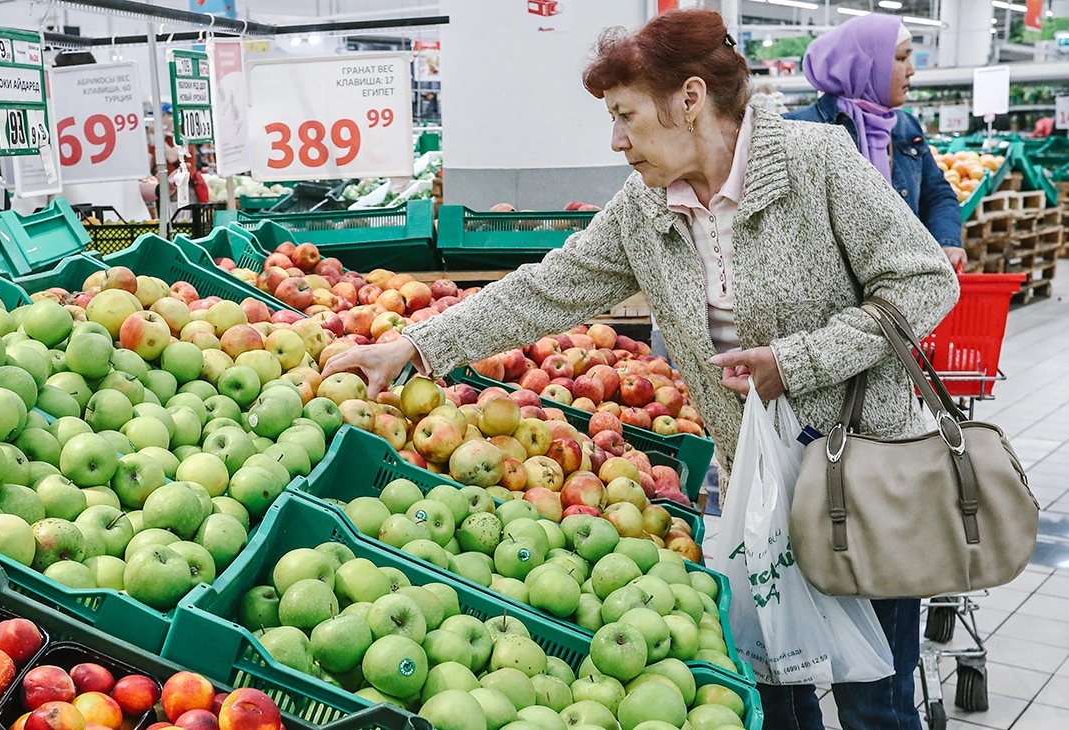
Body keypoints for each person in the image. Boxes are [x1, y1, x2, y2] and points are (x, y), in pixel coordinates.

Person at [324, 10, 958, 728]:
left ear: (690, 99)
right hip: (756, 489)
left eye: (625, 116)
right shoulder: (647, 210)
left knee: (876, 704)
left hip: (862, 478)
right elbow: (545, 288)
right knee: (778, 690)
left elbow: (924, 282)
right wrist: (415, 345)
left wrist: (796, 362)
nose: (616, 141)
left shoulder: (817, 162)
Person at [785, 14, 967, 269]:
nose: (911, 70)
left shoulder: (904, 127)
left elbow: (937, 194)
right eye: (901, 58)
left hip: (900, 278)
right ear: (865, 65)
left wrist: (946, 241)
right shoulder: (798, 129)